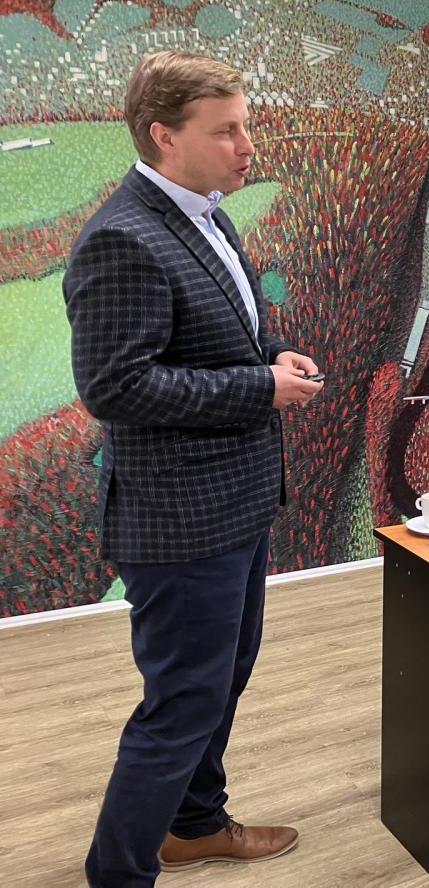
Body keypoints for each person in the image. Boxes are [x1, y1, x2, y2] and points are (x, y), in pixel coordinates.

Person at [63, 51, 323, 887]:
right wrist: (261, 387)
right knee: (181, 706)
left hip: (235, 506)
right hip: (180, 522)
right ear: (164, 136)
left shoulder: (208, 215)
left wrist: (273, 355)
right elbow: (116, 387)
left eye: (246, 126)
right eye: (227, 131)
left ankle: (194, 826)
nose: (248, 147)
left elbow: (219, 335)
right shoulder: (122, 239)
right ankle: (118, 874)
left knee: (219, 683)